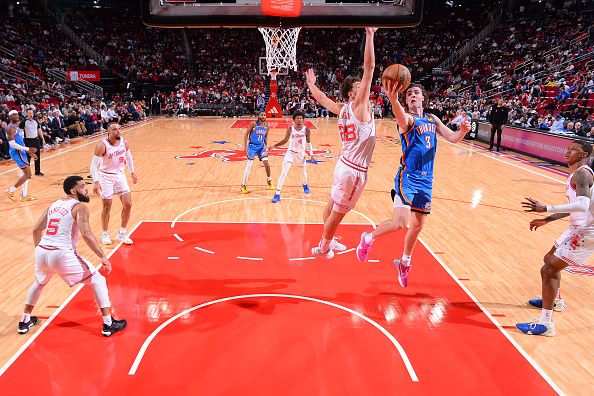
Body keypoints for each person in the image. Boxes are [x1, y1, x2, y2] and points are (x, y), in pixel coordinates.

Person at [356, 82, 470, 288]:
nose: (413, 96)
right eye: (409, 94)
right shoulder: (408, 120)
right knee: (401, 223)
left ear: (423, 97)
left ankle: (404, 263)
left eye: (417, 92)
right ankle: (368, 238)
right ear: (406, 101)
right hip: (407, 178)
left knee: (417, 226)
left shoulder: (432, 119)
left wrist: (462, 131)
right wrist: (393, 99)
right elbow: (400, 115)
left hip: (426, 181)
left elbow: (452, 138)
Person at [18, 175, 127, 337]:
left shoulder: (54, 204)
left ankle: (24, 320)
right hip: (61, 253)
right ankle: (108, 324)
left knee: (39, 283)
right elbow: (86, 233)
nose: (86, 189)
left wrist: (40, 251)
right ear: (72, 190)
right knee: (98, 280)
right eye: (82, 186)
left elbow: (36, 230)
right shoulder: (79, 207)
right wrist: (103, 257)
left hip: (42, 251)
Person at [306, 27, 378, 258]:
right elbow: (370, 69)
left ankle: (328, 240)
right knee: (338, 214)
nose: (364, 89)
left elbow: (321, 97)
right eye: (359, 88)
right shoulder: (358, 106)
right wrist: (370, 36)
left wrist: (310, 83)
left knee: (330, 207)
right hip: (354, 172)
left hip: (343, 164)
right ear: (350, 93)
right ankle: (323, 248)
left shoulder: (341, 109)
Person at [517, 141, 594, 337]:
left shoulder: (582, 174)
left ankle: (546, 324)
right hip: (576, 228)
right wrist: (547, 219)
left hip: (586, 232)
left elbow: (583, 205)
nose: (568, 152)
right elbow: (575, 206)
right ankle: (555, 300)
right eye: (568, 148)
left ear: (584, 154)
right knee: (548, 259)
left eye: (574, 149)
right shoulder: (576, 173)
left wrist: (547, 208)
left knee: (548, 269)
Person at [90, 123, 137, 245]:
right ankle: (105, 233)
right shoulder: (102, 146)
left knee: (128, 204)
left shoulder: (124, 142)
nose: (118, 131)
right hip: (105, 177)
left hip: (120, 175)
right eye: (114, 129)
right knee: (107, 206)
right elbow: (93, 166)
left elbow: (129, 158)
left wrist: (132, 172)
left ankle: (122, 232)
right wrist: (96, 182)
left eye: (119, 129)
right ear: (108, 132)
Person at [271, 111, 313, 203]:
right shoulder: (290, 129)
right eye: (297, 118)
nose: (299, 120)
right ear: (294, 120)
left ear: (303, 120)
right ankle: (277, 193)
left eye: (301, 118)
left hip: (301, 154)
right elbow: (285, 140)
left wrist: (311, 154)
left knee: (303, 173)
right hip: (290, 152)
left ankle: (305, 184)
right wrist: (274, 145)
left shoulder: (307, 130)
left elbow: (309, 142)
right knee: (284, 172)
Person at [5, 110, 37, 202]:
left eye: (17, 114)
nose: (16, 116)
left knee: (26, 175)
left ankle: (24, 195)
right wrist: (28, 149)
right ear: (10, 117)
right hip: (16, 152)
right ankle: (11, 190)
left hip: (21, 151)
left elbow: (20, 142)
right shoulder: (10, 128)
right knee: (28, 174)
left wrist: (30, 153)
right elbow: (12, 144)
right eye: (13, 114)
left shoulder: (17, 126)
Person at [241, 111, 273, 194]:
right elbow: (246, 134)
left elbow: (265, 137)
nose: (263, 116)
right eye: (262, 115)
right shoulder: (253, 124)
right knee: (249, 165)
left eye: (264, 115)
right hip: (252, 147)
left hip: (261, 147)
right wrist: (245, 146)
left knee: (267, 164)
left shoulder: (267, 126)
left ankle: (269, 180)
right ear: (259, 116)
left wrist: (267, 145)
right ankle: (243, 185)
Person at [22, 109, 46, 176]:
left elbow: (39, 130)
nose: (31, 114)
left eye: (32, 113)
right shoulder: (24, 122)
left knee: (37, 156)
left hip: (36, 140)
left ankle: (37, 172)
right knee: (28, 157)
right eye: (29, 113)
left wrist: (43, 139)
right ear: (27, 114)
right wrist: (21, 142)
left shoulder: (36, 121)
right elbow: (20, 132)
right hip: (28, 141)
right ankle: (27, 172)